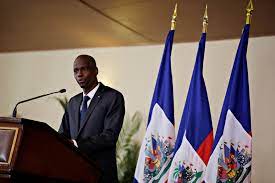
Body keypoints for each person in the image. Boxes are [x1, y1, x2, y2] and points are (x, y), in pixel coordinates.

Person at [59, 54, 125, 183]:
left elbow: (109, 136)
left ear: (95, 71)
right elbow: (62, 134)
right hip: (74, 174)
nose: (79, 74)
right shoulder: (73, 102)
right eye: (76, 71)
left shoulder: (112, 97)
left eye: (84, 69)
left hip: (100, 174)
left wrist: (77, 144)